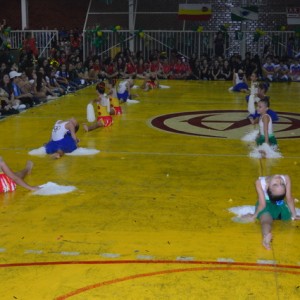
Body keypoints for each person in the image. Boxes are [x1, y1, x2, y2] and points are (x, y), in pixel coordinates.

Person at [244, 174, 299, 250]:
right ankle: (266, 237)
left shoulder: (260, 183)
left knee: (266, 220)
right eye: (280, 184)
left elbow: (289, 198)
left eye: (281, 184)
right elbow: (263, 204)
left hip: (278, 205)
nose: (279, 180)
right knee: (266, 221)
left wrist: (294, 215)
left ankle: (266, 236)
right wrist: (255, 215)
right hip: (270, 205)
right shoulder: (285, 178)